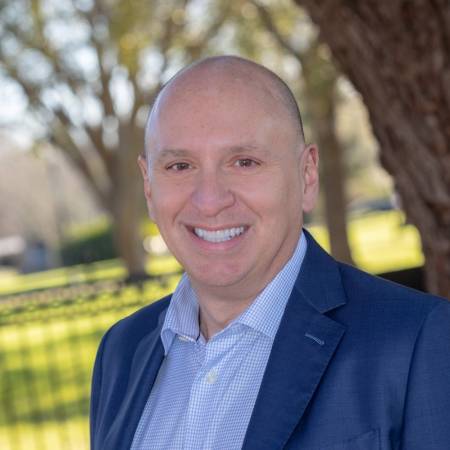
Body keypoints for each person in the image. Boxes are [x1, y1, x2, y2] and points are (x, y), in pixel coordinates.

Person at [90, 56, 450, 450]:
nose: (210, 200)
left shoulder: (417, 341)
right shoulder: (121, 352)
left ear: (307, 175)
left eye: (244, 162)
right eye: (180, 165)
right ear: (148, 187)